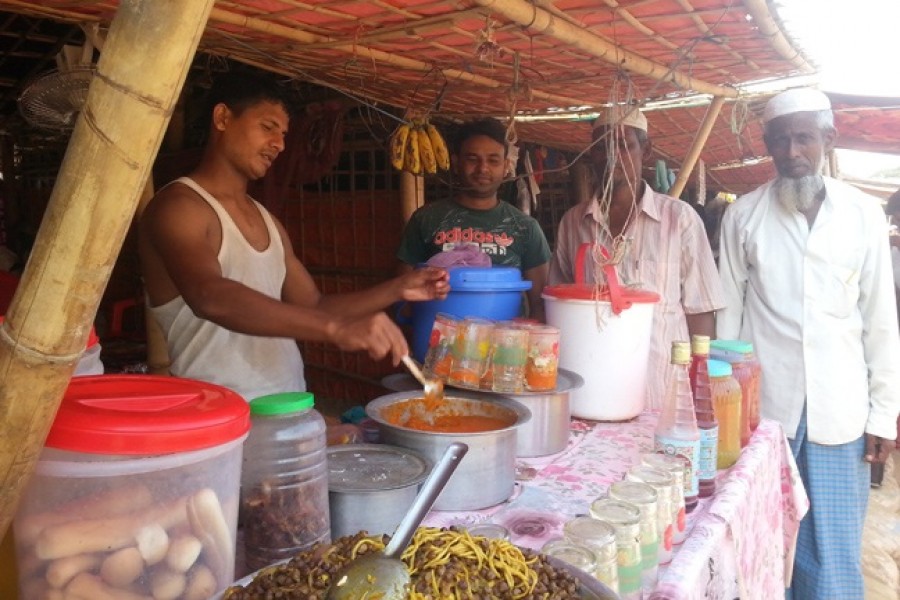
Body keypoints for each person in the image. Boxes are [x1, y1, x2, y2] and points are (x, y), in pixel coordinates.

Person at [139, 71, 449, 402]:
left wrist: (398, 288)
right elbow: (210, 295)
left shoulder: (268, 220)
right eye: (268, 127)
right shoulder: (178, 206)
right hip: (216, 418)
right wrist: (336, 329)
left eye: (284, 134)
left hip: (287, 408)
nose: (280, 144)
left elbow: (315, 304)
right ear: (223, 118)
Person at [716, 88, 900, 599]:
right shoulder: (744, 216)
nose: (793, 152)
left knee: (833, 553)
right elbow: (728, 317)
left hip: (840, 413)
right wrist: (724, 409)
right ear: (767, 146)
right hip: (764, 411)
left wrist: (884, 415)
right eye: (781, 141)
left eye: (804, 139)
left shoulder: (863, 215)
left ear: (828, 139)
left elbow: (880, 319)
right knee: (760, 541)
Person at [548, 105, 724, 410]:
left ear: (646, 150)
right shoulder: (573, 223)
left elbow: (701, 311)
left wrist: (702, 384)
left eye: (624, 145)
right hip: (592, 391)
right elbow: (559, 307)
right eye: (602, 148)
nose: (612, 157)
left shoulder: (679, 219)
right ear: (592, 155)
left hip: (665, 391)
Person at [396, 117, 551, 321]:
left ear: (506, 166)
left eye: (493, 160)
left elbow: (540, 305)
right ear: (456, 162)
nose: (482, 169)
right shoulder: (426, 219)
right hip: (436, 346)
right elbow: (401, 292)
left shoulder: (525, 227)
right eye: (472, 159)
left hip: (504, 348)